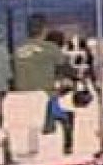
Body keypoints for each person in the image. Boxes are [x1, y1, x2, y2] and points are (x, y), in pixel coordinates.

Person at [12, 13, 77, 154]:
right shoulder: (51, 49)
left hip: (20, 100)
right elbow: (69, 71)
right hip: (45, 101)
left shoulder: (16, 50)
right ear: (44, 30)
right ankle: (68, 148)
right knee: (69, 115)